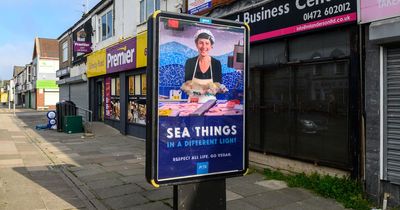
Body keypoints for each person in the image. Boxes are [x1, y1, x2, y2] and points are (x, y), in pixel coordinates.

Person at [184, 29, 222, 103]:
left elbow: (217, 86)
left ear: (211, 46)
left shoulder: (216, 63)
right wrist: (200, 93)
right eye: (201, 43)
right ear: (196, 44)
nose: (204, 46)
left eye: (207, 43)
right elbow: (187, 86)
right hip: (192, 104)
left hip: (210, 104)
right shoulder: (190, 62)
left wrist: (216, 89)